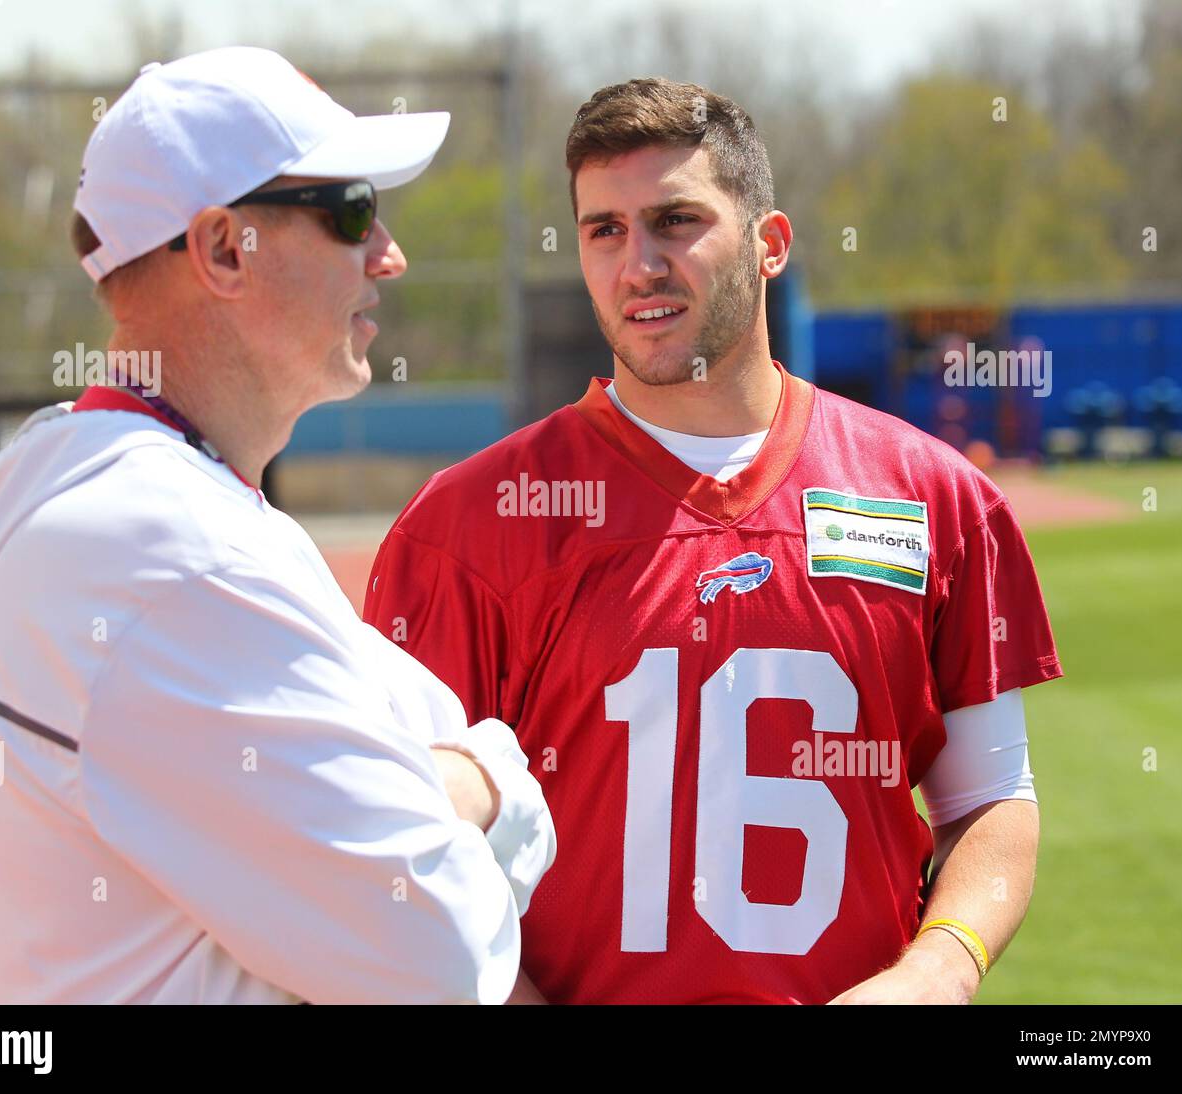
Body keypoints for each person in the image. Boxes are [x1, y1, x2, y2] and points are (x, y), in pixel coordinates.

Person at [364, 78, 1060, 1004]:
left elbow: (990, 799)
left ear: (770, 245)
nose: (638, 264)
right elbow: (405, 854)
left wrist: (937, 972)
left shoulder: (937, 499)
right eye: (603, 230)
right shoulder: (468, 526)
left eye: (676, 220)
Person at [0, 46, 554, 1004]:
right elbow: (443, 956)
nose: (390, 253)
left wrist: (438, 782)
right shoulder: (171, 553)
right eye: (352, 210)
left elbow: (434, 735)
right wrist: (486, 786)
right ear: (219, 251)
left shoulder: (102, 482)